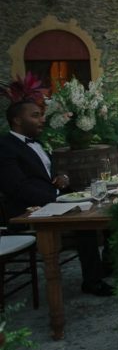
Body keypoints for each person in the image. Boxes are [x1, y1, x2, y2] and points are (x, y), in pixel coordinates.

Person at [0, 100, 112, 296]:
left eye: (41, 115)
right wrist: (56, 198)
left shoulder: (37, 142)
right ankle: (92, 281)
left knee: (106, 204)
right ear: (17, 120)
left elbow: (43, 176)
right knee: (84, 224)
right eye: (35, 115)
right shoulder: (5, 147)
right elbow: (17, 187)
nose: (42, 120)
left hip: (52, 199)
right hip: (28, 210)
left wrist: (61, 179)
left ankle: (108, 263)